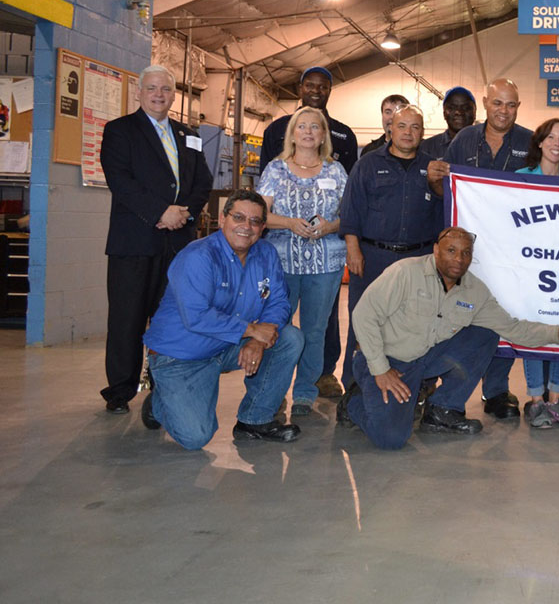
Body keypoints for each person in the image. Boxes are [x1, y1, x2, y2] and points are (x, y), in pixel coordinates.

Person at [340, 227, 559, 449]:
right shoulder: (405, 272)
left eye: (466, 253)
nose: (459, 259)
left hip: (424, 361)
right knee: (391, 438)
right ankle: (353, 404)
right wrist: (381, 369)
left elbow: (513, 328)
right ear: (436, 250)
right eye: (451, 250)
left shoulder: (475, 291)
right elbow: (363, 315)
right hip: (384, 361)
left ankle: (442, 410)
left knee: (485, 334)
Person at [140, 190, 302, 449]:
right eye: (238, 217)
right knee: (195, 437)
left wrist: (258, 339)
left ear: (262, 227)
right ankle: (159, 402)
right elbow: (197, 317)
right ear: (222, 218)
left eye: (255, 221)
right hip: (182, 355)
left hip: (225, 346)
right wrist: (250, 329)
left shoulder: (266, 253)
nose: (246, 227)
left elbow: (278, 301)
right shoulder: (198, 256)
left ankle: (254, 420)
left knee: (290, 338)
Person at [99, 65, 213, 414]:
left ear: (174, 94)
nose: (158, 94)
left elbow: (202, 182)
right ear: (139, 91)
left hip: (178, 242)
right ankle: (120, 390)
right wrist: (161, 212)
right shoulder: (119, 131)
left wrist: (185, 213)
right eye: (151, 88)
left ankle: (163, 384)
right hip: (134, 240)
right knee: (127, 318)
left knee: (172, 317)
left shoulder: (189, 134)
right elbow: (120, 180)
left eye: (165, 89)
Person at [259, 65, 357, 400]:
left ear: (323, 135)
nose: (308, 131)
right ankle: (272, 393)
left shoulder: (336, 169)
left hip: (325, 265)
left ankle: (304, 394)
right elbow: (260, 215)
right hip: (282, 262)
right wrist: (288, 222)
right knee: (279, 329)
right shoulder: (275, 169)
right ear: (292, 133)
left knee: (315, 331)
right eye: (302, 126)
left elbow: (351, 216)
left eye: (315, 127)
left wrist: (330, 226)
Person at [442, 78, 533, 420]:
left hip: (512, 254)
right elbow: (448, 188)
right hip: (466, 254)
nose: (504, 111)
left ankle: (496, 390)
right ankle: (452, 390)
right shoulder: (465, 139)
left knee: (503, 316)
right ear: (485, 103)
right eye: (498, 103)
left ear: (518, 107)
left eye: (511, 105)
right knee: (459, 317)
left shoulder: (529, 140)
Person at [340, 105, 442, 388]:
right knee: (363, 323)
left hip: (418, 260)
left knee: (416, 324)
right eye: (402, 126)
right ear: (390, 129)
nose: (408, 133)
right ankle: (354, 388)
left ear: (422, 133)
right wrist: (353, 249)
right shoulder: (367, 164)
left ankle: (417, 388)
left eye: (415, 127)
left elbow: (445, 212)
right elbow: (350, 210)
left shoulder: (432, 168)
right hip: (373, 257)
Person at [515, 118, 559, 428]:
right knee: (535, 332)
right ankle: (535, 401)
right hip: (531, 271)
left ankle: (556, 399)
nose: (557, 143)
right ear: (540, 142)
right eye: (551, 137)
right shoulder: (518, 180)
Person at [422, 86, 476, 159]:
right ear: (444, 113)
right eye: (452, 108)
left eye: (466, 108)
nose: (459, 112)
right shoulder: (427, 147)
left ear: (474, 112)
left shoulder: (487, 145)